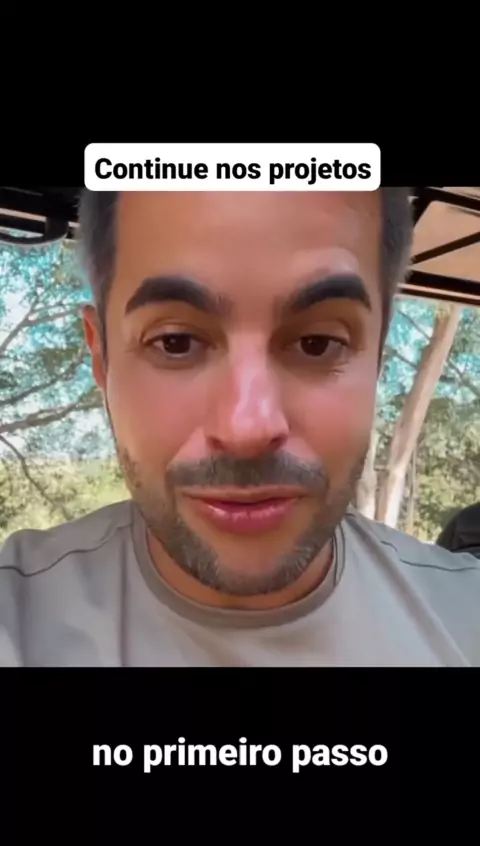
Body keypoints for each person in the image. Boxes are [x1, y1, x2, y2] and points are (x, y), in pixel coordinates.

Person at [1, 188, 479, 667]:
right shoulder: (18, 621)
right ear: (101, 359)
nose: (247, 428)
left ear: (377, 357)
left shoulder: (466, 617)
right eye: (175, 341)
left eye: (317, 343)